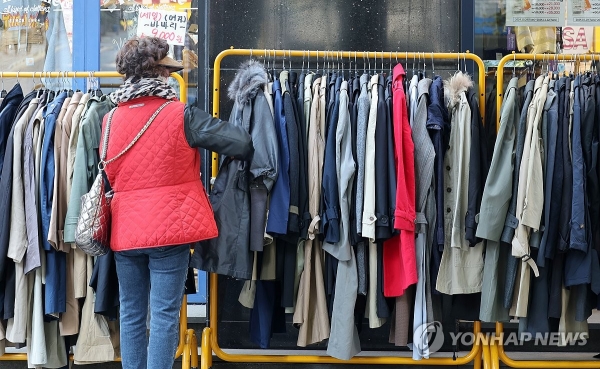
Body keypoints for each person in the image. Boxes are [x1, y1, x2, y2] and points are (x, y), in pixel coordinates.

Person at [104, 36, 253, 369]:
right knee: (164, 314)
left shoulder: (109, 118)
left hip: (125, 231)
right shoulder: (179, 114)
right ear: (157, 73)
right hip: (169, 231)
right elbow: (240, 143)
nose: (172, 76)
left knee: (130, 313)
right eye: (167, 70)